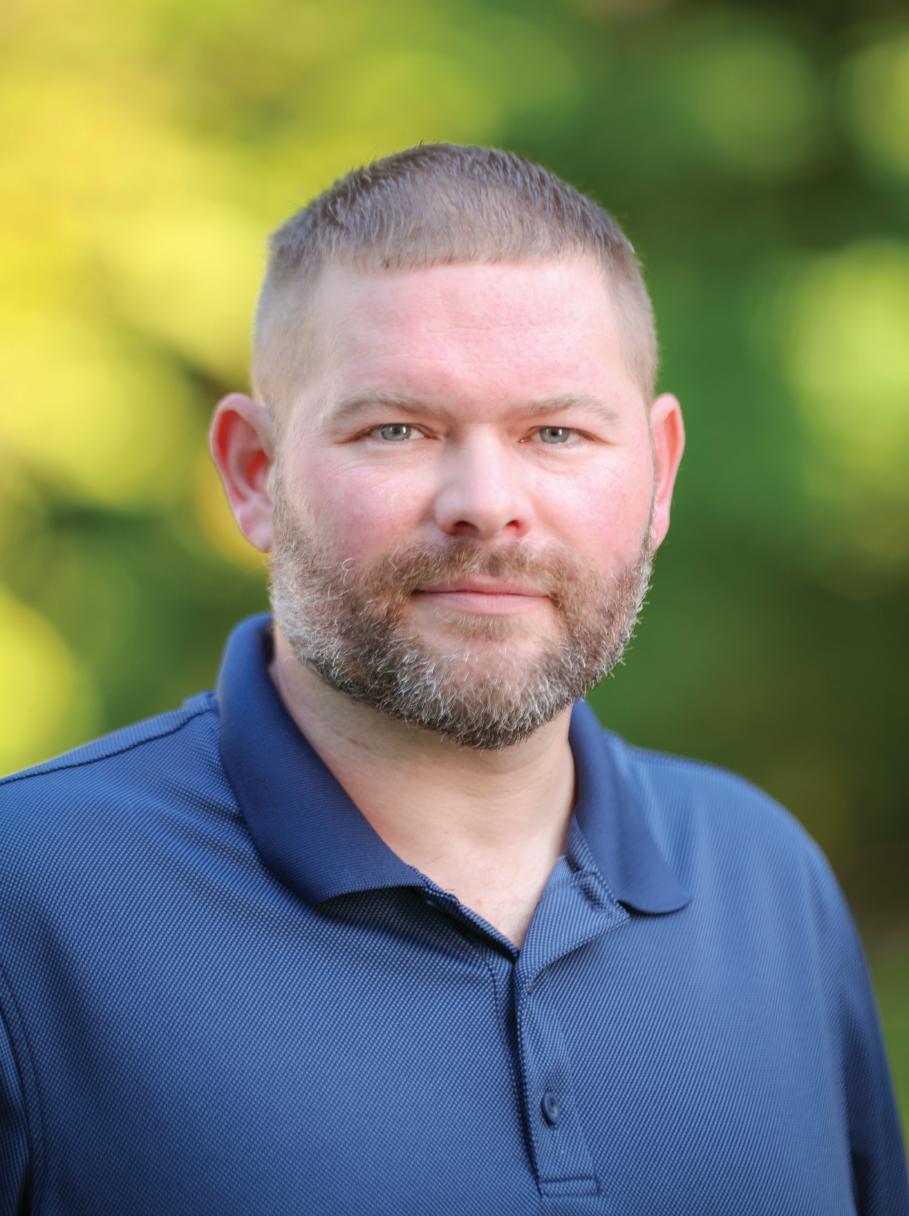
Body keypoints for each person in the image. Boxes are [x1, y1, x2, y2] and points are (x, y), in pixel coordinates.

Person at [0, 145, 905, 1216]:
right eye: (397, 429)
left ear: (658, 473)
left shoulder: (764, 878)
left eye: (556, 432)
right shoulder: (31, 898)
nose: (486, 502)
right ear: (254, 472)